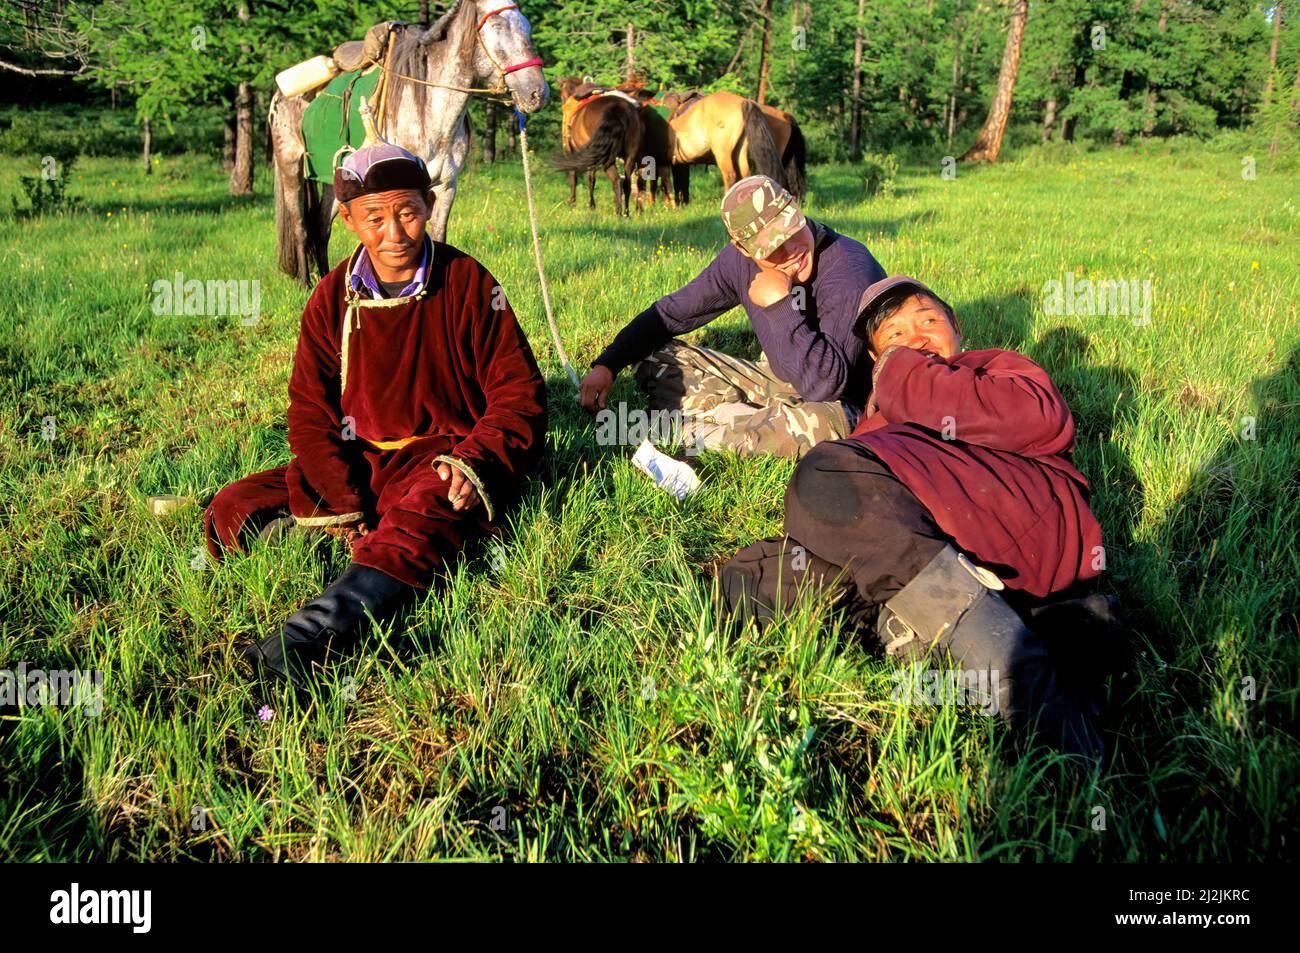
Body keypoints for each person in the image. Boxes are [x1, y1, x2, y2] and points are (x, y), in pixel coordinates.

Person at [717, 275, 1109, 759]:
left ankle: (1034, 693)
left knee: (826, 474)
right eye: (894, 335)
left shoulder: (994, 367)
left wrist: (901, 366)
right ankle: (974, 630)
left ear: (958, 330)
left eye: (927, 321)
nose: (915, 338)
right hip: (933, 546)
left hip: (1012, 519)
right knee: (753, 577)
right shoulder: (880, 415)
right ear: (874, 361)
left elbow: (1038, 420)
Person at [204, 142, 547, 688]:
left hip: (439, 460)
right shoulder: (330, 296)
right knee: (231, 507)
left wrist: (473, 460)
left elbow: (520, 394)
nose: (395, 233)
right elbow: (310, 412)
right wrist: (341, 502)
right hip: (360, 460)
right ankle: (339, 536)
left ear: (430, 205)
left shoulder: (469, 283)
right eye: (375, 218)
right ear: (346, 219)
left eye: (407, 212)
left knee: (422, 517)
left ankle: (307, 637)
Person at [578, 175, 886, 456]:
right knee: (655, 356)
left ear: (796, 208)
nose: (792, 249)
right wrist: (608, 364)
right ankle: (740, 421)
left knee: (823, 427)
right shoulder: (737, 264)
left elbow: (827, 386)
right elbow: (672, 313)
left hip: (842, 401)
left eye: (793, 230)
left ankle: (707, 428)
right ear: (742, 248)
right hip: (781, 379)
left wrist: (780, 305)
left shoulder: (849, 270)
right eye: (773, 247)